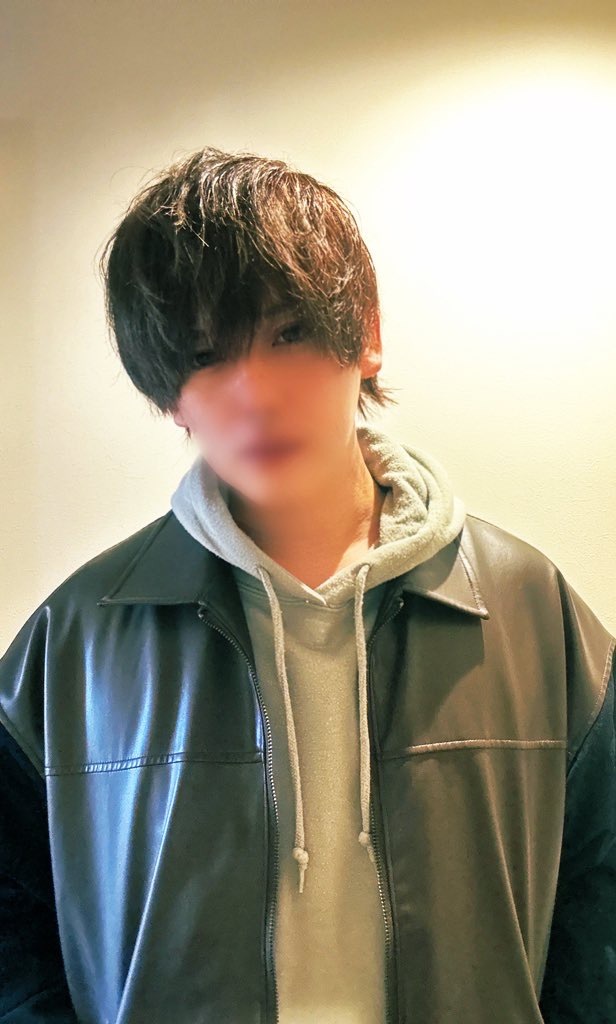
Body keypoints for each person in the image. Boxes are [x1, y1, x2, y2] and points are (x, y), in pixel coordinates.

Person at [0, 145, 614, 1024]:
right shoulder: (80, 637)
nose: (254, 391)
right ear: (170, 397)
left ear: (365, 334)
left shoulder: (530, 609)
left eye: (288, 333)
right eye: (206, 355)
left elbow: (601, 892)